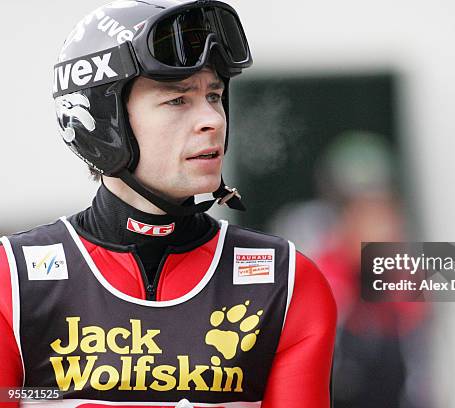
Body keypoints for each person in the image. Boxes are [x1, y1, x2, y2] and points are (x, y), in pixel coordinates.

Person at [0, 1, 336, 407]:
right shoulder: (13, 281)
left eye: (214, 95)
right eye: (178, 100)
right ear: (104, 122)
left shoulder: (284, 281)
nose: (212, 119)